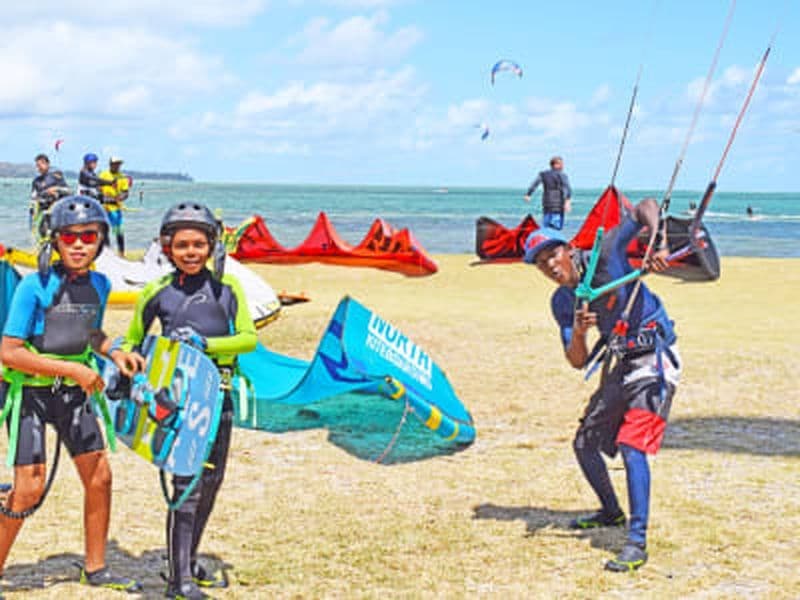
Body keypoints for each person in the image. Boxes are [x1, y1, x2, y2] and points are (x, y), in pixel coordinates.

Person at [522, 197, 681, 572]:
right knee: (584, 444)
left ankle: (637, 542)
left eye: (552, 255)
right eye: (540, 264)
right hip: (619, 365)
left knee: (631, 446)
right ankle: (611, 512)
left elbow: (645, 208)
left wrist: (659, 245)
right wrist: (579, 331)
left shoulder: (606, 253)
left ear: (569, 249)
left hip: (654, 360)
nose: (549, 266)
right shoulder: (562, 302)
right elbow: (576, 360)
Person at [0, 196, 144, 592]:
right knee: (28, 489)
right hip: (29, 394)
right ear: (54, 240)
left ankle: (95, 567)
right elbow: (9, 351)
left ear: (100, 240)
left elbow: (91, 333)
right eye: (70, 236)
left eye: (89, 236)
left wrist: (114, 351)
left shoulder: (100, 284)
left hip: (74, 395)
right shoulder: (34, 285)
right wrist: (73, 369)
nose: (79, 244)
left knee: (100, 478)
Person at [122, 202, 256, 599]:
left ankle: (190, 559)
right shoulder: (156, 292)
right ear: (167, 247)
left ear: (212, 246)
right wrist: (133, 371)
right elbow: (132, 342)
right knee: (186, 486)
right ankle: (178, 581)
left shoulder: (227, 290)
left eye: (199, 244)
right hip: (177, 403)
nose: (191, 252)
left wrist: (205, 344)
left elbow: (248, 338)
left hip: (219, 399)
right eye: (182, 245)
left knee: (212, 482)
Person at [523, 155, 572, 230]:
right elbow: (567, 188)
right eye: (561, 164)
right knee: (556, 227)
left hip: (547, 205)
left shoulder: (543, 174)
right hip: (558, 206)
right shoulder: (562, 175)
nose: (563, 166)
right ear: (555, 165)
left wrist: (528, 194)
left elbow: (535, 184)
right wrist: (567, 201)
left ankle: (546, 239)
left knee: (546, 227)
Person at [30, 154, 70, 235]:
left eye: (42, 164)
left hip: (56, 209)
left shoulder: (56, 176)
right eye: (37, 165)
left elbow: (68, 191)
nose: (40, 167)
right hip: (42, 211)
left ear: (48, 164)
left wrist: (56, 189)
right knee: (43, 233)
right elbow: (33, 198)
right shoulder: (36, 181)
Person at [99, 157, 130, 256]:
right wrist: (102, 197)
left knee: (118, 231)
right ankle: (107, 253)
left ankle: (121, 253)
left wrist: (119, 198)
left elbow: (125, 193)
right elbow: (97, 188)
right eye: (115, 164)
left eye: (118, 164)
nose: (117, 166)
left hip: (115, 208)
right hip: (104, 206)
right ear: (110, 164)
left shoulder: (122, 177)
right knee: (104, 230)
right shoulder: (103, 174)